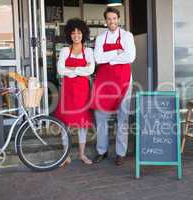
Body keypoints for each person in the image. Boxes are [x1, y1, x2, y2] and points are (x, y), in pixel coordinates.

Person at [90, 7, 136, 166]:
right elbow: (97, 58)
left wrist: (109, 59)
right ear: (105, 21)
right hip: (104, 82)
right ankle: (102, 151)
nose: (112, 22)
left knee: (122, 117)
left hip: (124, 81)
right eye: (109, 19)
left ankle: (120, 153)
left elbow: (130, 56)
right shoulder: (100, 37)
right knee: (101, 116)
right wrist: (117, 53)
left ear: (118, 19)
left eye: (114, 18)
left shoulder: (127, 36)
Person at [54, 18, 95, 165]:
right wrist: (80, 70)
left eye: (79, 32)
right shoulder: (65, 50)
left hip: (83, 90)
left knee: (81, 123)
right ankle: (66, 155)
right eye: (73, 33)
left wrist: (71, 69)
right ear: (69, 35)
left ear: (83, 34)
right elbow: (60, 70)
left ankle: (82, 154)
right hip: (68, 90)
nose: (76, 35)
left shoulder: (89, 51)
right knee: (66, 122)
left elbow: (91, 69)